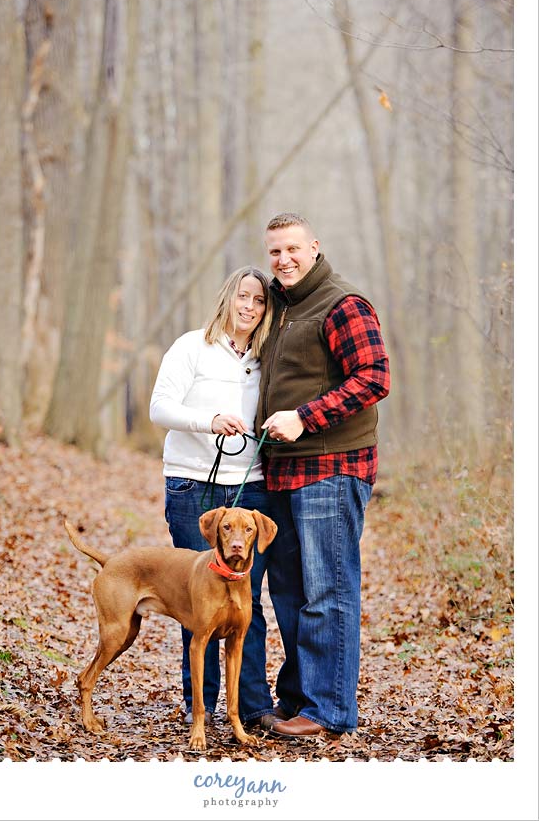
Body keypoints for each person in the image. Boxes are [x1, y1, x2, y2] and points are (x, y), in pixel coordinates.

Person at [255, 213, 390, 738]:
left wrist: (304, 416)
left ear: (314, 247)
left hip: (332, 469)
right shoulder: (280, 306)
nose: (283, 260)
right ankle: (298, 701)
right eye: (274, 252)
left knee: (327, 592)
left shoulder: (341, 303)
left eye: (292, 249)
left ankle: (329, 710)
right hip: (282, 473)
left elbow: (374, 377)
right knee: (289, 594)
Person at [149, 266, 279, 731]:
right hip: (193, 487)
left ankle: (253, 709)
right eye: (242, 297)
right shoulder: (191, 346)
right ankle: (198, 710)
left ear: (267, 310)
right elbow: (159, 407)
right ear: (227, 298)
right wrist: (210, 420)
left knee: (250, 606)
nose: (249, 307)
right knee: (199, 604)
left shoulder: (267, 358)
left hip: (250, 489)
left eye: (259, 301)